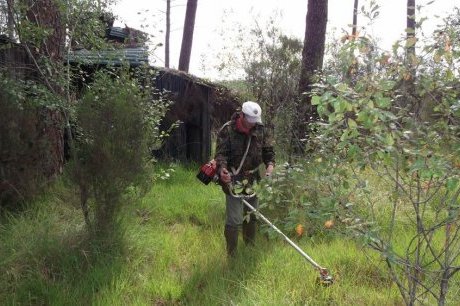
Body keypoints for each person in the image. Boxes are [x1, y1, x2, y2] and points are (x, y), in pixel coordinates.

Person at [215, 101, 275, 257]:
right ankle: (232, 255)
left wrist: (270, 165)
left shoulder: (260, 129)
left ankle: (250, 247)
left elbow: (268, 151)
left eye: (255, 122)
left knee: (252, 214)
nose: (252, 126)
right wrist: (223, 171)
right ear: (241, 115)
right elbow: (220, 155)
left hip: (254, 179)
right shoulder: (227, 130)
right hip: (233, 178)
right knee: (234, 219)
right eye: (250, 122)